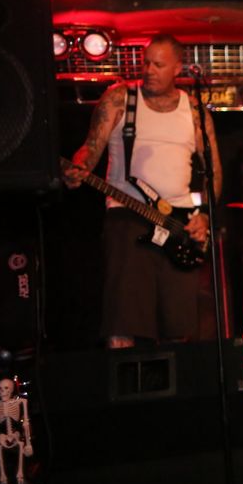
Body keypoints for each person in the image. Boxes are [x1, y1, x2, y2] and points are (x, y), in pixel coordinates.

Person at [63, 34, 222, 349]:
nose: (149, 70)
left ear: (177, 68)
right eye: (146, 62)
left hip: (179, 226)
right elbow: (90, 147)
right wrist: (79, 167)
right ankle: (123, 376)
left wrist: (205, 216)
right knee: (124, 317)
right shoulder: (120, 98)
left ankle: (174, 380)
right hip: (128, 215)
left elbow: (213, 171)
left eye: (158, 65)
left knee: (178, 322)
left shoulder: (193, 111)